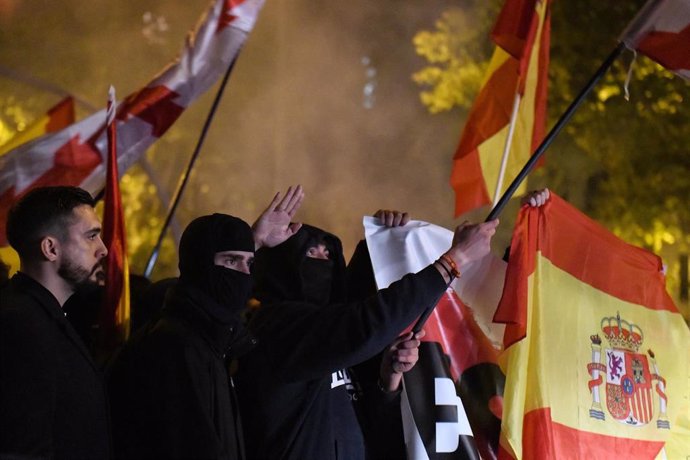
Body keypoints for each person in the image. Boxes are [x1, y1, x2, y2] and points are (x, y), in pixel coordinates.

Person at [235, 212, 499, 460]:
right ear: (281, 263)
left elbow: (374, 434)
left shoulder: (335, 343)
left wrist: (387, 381)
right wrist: (454, 260)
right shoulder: (276, 327)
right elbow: (368, 323)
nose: (323, 259)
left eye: (329, 253)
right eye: (310, 252)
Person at [106, 185, 304, 460]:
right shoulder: (175, 347)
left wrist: (251, 243)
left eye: (249, 263)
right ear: (200, 264)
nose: (244, 274)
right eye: (232, 261)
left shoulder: (211, 342)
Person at [0, 186, 111, 459]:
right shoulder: (20, 324)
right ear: (50, 248)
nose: (104, 250)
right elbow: (22, 447)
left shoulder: (42, 315)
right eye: (91, 236)